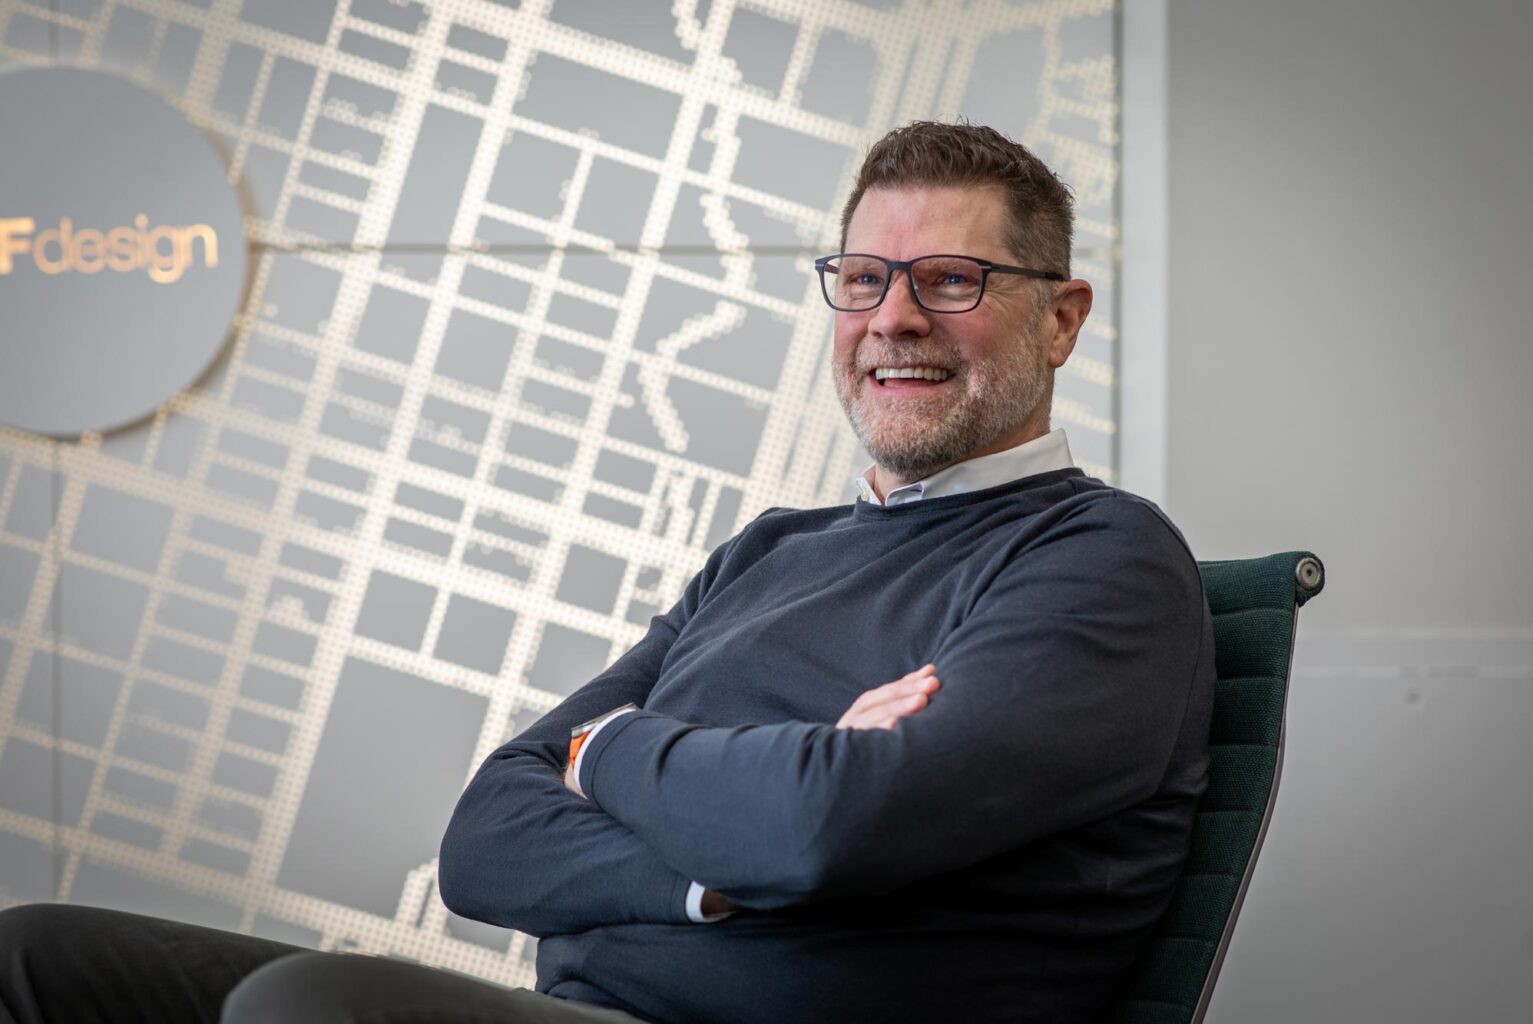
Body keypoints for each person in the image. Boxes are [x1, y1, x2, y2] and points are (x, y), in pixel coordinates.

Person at [0, 122, 1214, 1024]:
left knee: (308, 1010)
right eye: (862, 278)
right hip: (590, 1016)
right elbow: (484, 842)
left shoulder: (1102, 563)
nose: (893, 318)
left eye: (951, 279)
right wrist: (722, 870)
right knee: (37, 958)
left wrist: (606, 753)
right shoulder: (771, 550)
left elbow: (825, 822)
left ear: (1060, 319)